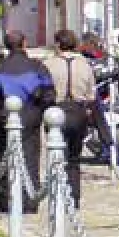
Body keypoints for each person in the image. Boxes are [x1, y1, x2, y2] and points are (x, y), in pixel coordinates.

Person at [0, 29, 56, 214]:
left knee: (4, 159)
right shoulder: (37, 67)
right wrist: (38, 113)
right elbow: (49, 94)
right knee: (30, 158)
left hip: (4, 118)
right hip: (30, 116)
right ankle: (29, 203)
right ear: (24, 44)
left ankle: (7, 203)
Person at [44, 29, 96, 205]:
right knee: (74, 157)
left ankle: (57, 193)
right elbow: (91, 95)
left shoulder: (49, 64)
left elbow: (44, 89)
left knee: (56, 153)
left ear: (58, 44)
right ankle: (73, 196)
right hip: (78, 110)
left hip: (56, 110)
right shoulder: (85, 65)